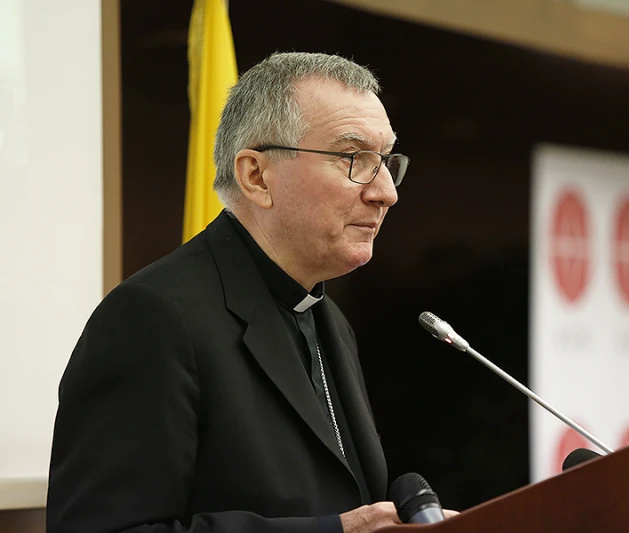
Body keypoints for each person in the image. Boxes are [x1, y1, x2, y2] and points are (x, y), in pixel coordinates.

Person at [47, 52, 425, 533]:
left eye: (387, 160)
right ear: (255, 176)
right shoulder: (155, 318)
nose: (386, 192)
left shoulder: (329, 319)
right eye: (354, 158)